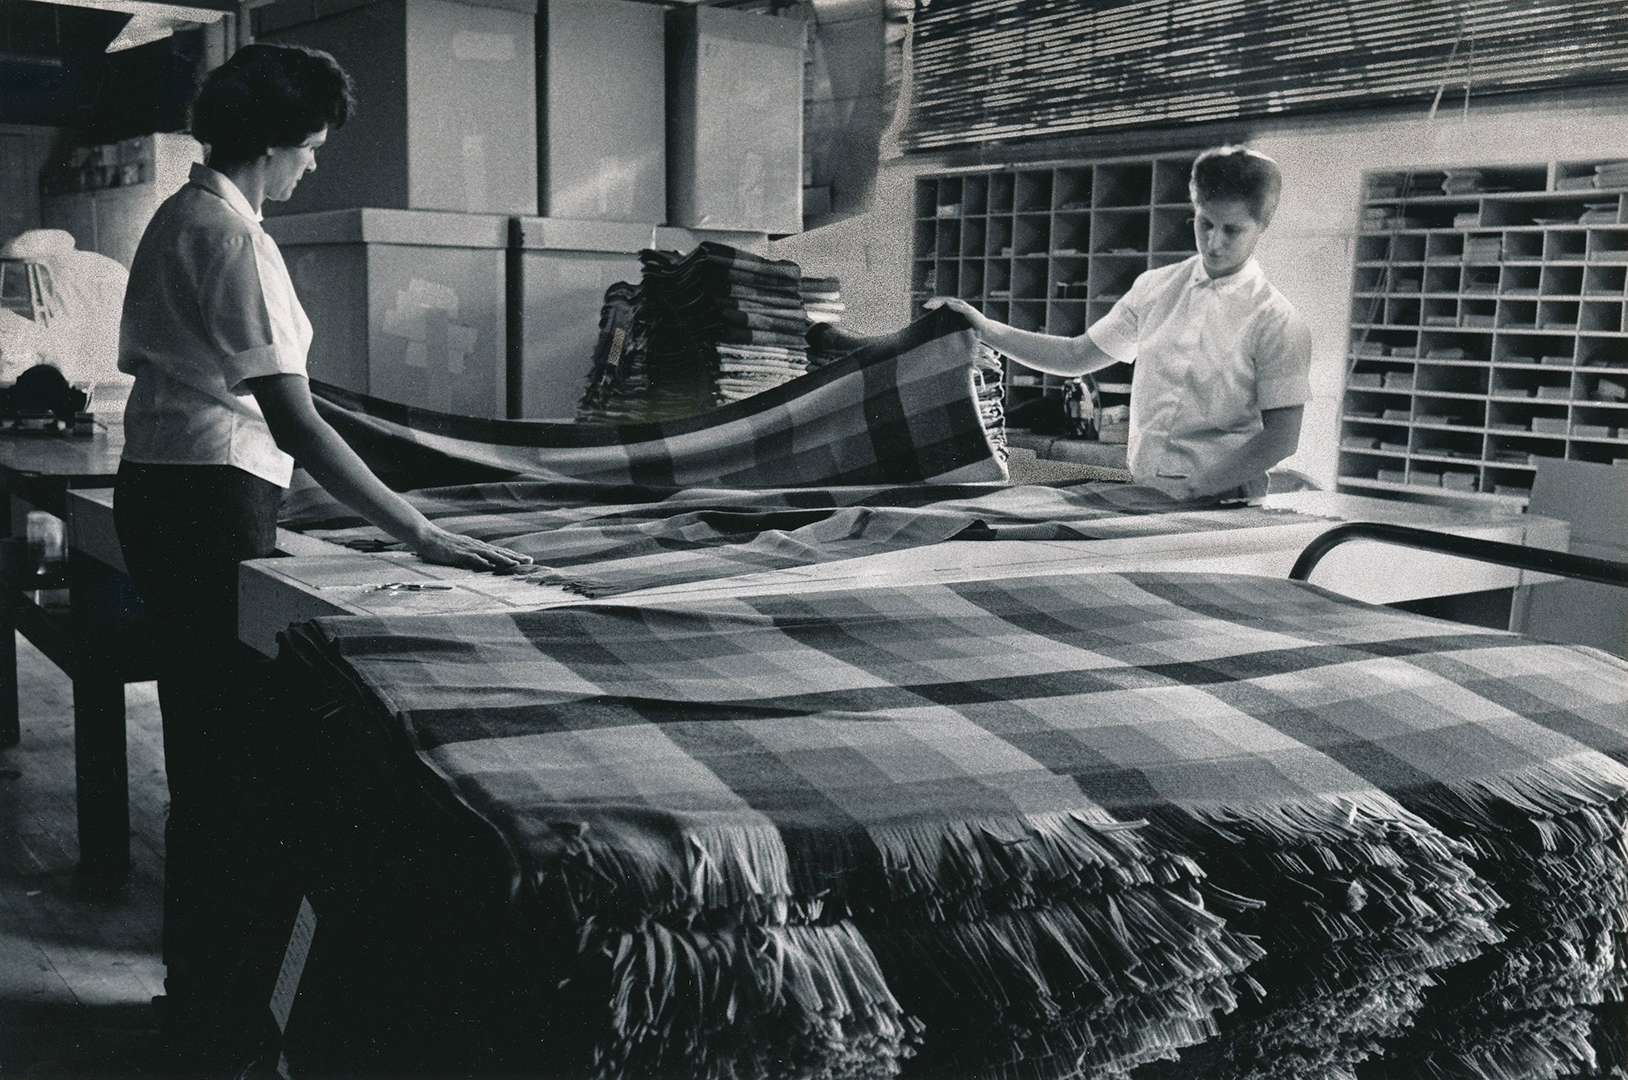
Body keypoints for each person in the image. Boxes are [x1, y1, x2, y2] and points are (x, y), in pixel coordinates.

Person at [113, 43, 529, 1069]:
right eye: (311, 149)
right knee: (240, 773)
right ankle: (223, 1020)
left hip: (167, 487)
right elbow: (294, 425)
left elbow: (258, 399)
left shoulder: (182, 216)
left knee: (209, 756)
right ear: (273, 141)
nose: (314, 168)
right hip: (210, 504)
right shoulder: (234, 237)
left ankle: (197, 999)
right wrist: (418, 529)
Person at [929, 146, 1312, 501]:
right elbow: (1075, 356)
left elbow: (1281, 438)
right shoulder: (1156, 288)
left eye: (1232, 230)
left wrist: (1196, 488)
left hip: (1225, 498)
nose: (1213, 242)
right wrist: (983, 326)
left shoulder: (1276, 319)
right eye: (1205, 223)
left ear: (1262, 225)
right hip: (1148, 492)